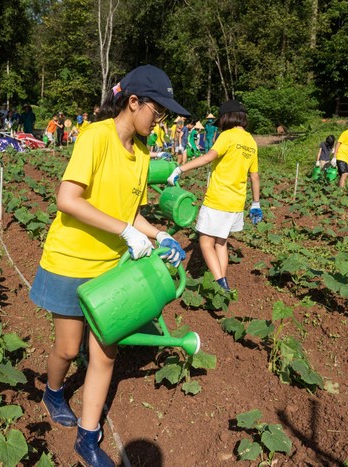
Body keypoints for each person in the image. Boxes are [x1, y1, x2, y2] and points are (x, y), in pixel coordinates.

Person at [30, 65, 188, 467]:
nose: (162, 121)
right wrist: (126, 230)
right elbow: (68, 199)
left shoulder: (142, 153)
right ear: (133, 102)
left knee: (105, 352)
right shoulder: (94, 137)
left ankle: (87, 437)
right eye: (159, 111)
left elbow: (130, 213)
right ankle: (52, 391)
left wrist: (157, 234)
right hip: (69, 260)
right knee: (67, 349)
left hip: (110, 267)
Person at [167, 100, 261, 292]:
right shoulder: (251, 142)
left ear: (227, 118)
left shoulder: (227, 136)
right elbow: (255, 176)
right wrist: (256, 204)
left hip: (218, 199)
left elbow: (209, 156)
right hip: (236, 202)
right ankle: (223, 281)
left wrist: (180, 169)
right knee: (221, 242)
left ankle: (220, 283)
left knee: (205, 241)